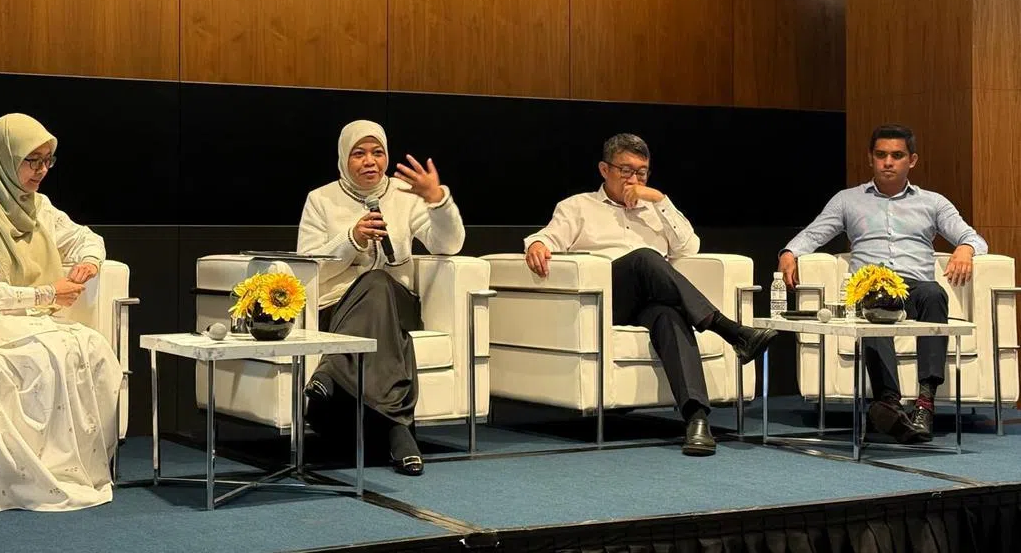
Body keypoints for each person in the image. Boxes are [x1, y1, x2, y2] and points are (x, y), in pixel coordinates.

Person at [524, 133, 776, 457]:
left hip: (649, 303)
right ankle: (729, 329)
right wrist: (538, 244)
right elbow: (547, 237)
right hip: (608, 300)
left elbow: (689, 247)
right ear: (604, 169)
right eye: (625, 171)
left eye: (641, 172)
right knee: (645, 258)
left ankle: (697, 420)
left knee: (670, 316)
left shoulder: (656, 208)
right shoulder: (578, 207)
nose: (634, 180)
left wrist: (659, 199)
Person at [0, 113, 121, 512]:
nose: (42, 170)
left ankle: (69, 469)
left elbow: (87, 238)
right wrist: (46, 293)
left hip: (24, 317)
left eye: (48, 160)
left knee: (90, 346)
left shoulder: (36, 206)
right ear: (2, 158)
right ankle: (21, 478)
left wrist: (89, 262)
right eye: (33, 161)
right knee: (43, 355)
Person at [779, 124, 984, 443]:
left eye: (897, 155)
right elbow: (814, 233)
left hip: (915, 289)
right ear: (870, 158)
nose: (888, 162)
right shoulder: (848, 200)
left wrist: (966, 248)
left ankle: (925, 403)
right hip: (871, 287)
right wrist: (789, 253)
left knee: (934, 293)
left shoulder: (933, 203)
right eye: (881, 155)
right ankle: (889, 403)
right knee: (875, 306)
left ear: (911, 160)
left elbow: (973, 237)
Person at [296, 120, 465, 476]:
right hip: (340, 308)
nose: (369, 161)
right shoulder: (320, 200)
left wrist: (437, 201)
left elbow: (448, 245)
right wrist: (351, 239)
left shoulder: (406, 194)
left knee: (378, 282)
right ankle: (398, 431)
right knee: (391, 328)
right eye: (359, 153)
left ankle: (331, 369)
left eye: (377, 153)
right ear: (344, 157)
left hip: (397, 302)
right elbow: (309, 268)